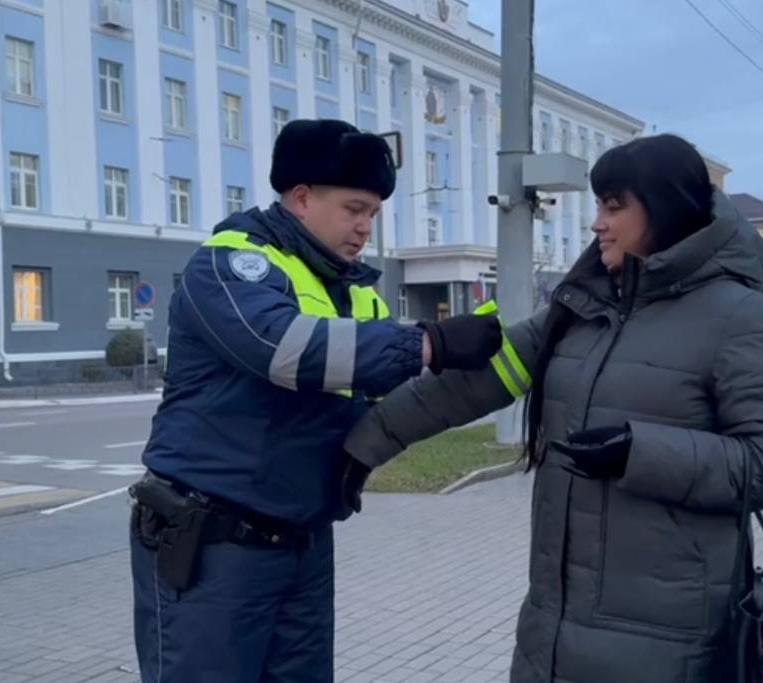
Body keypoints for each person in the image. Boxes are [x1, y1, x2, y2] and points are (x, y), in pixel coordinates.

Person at [342, 134, 763, 682]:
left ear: (665, 209)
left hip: (672, 640)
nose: (597, 224)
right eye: (598, 206)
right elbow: (471, 384)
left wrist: (642, 454)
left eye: (614, 207)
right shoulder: (581, 307)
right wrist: (366, 444)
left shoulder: (742, 317)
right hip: (553, 630)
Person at [129, 119, 503, 682]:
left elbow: (396, 392)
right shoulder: (231, 263)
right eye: (354, 209)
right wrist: (429, 343)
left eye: (373, 214)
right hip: (213, 549)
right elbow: (283, 349)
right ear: (302, 198)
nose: (365, 228)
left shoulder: (351, 291)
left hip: (300, 544)